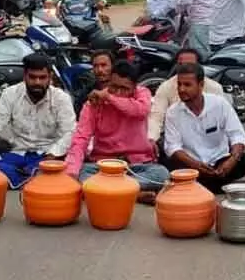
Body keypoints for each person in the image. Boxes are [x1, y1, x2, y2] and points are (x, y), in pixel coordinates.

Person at [64, 60, 168, 201]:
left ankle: (108, 191)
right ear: (109, 82)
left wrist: (109, 97)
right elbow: (81, 139)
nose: (118, 93)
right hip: (103, 166)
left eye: (124, 89)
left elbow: (140, 111)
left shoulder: (142, 93)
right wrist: (72, 173)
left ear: (134, 88)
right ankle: (131, 193)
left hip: (136, 166)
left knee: (161, 174)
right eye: (113, 86)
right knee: (81, 173)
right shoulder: (94, 103)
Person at [0, 53, 77, 188]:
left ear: (50, 78)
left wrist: (52, 155)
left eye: (42, 77)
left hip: (47, 154)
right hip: (16, 154)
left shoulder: (61, 98)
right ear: (24, 77)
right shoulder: (10, 94)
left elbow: (69, 132)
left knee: (55, 168)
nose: (37, 82)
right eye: (32, 77)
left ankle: (29, 177)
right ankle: (32, 178)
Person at [163, 62, 245, 193]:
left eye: (187, 85)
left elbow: (237, 135)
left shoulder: (219, 104)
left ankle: (201, 186)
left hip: (220, 161)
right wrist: (196, 165)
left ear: (201, 85)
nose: (181, 89)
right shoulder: (173, 112)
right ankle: (212, 185)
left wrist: (232, 161)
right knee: (168, 164)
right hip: (191, 166)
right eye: (179, 84)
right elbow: (173, 147)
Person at [148, 48, 225, 145]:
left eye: (190, 65)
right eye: (181, 65)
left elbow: (223, 120)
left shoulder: (214, 88)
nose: (185, 68)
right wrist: (152, 139)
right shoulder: (166, 87)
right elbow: (156, 116)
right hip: (177, 140)